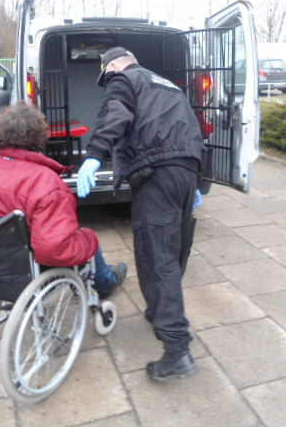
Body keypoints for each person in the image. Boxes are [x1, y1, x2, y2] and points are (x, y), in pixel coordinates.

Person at [77, 47, 204, 381]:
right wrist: (197, 181)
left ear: (115, 65)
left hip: (157, 175)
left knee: (156, 255)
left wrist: (94, 155)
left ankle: (178, 351)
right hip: (185, 173)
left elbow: (115, 115)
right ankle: (159, 309)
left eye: (106, 76)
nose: (108, 83)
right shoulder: (170, 85)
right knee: (173, 251)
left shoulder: (124, 78)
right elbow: (193, 129)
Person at [0, 102, 127, 298]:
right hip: (24, 270)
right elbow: (53, 249)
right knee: (86, 239)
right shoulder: (45, 182)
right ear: (39, 137)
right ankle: (106, 283)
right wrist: (90, 241)